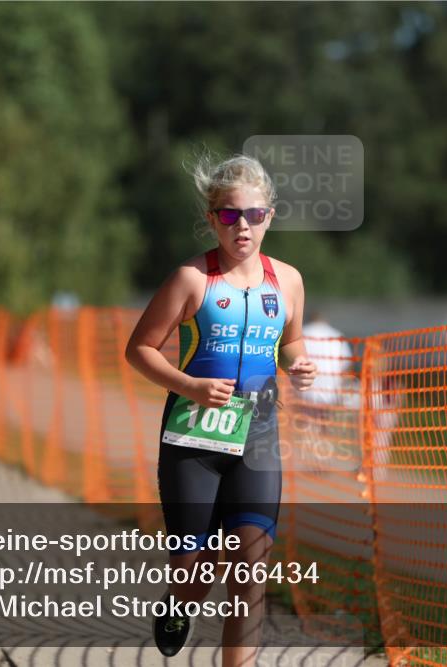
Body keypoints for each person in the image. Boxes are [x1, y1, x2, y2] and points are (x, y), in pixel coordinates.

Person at [125, 153, 317, 665]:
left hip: (257, 442)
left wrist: (298, 364)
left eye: (254, 215)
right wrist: (189, 385)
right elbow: (138, 349)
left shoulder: (288, 281)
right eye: (230, 215)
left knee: (250, 573)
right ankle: (179, 603)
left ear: (269, 216)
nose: (242, 226)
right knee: (198, 570)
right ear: (213, 219)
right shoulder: (191, 279)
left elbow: (291, 341)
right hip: (193, 443)